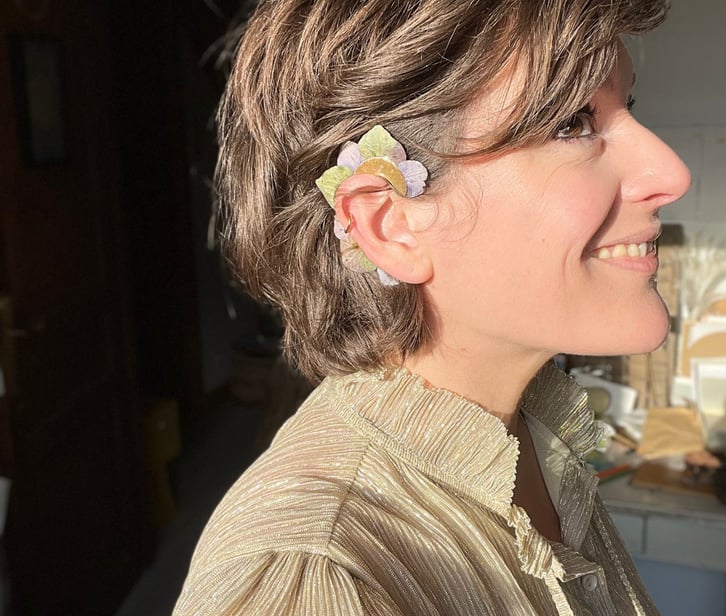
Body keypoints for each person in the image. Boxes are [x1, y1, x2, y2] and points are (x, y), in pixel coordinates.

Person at [174, 0, 690, 614]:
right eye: (572, 124)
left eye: (625, 109)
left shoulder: (530, 438)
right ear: (390, 225)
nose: (670, 171)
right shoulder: (320, 580)